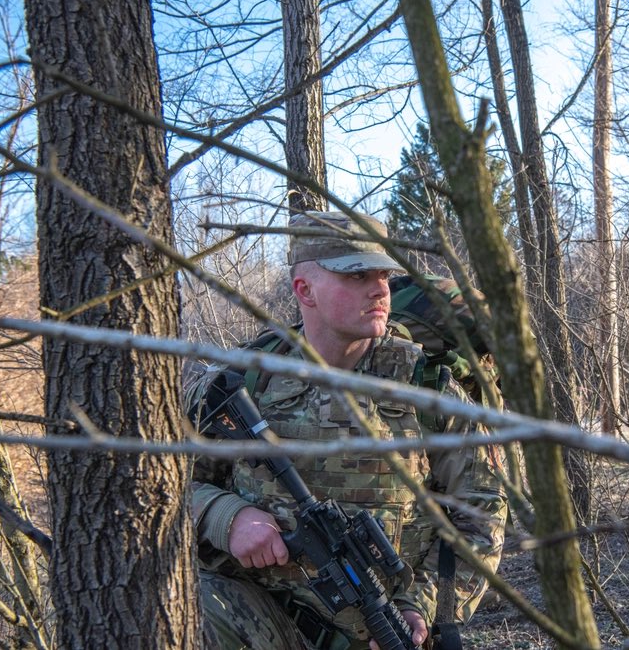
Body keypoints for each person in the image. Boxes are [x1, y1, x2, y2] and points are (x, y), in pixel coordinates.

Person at [188, 211, 508, 650]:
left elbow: (482, 512)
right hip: (262, 619)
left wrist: (421, 606)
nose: (379, 288)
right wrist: (228, 517)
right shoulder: (249, 380)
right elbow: (173, 487)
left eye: (383, 274)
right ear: (305, 290)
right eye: (357, 275)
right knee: (194, 605)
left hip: (388, 630)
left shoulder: (426, 386)